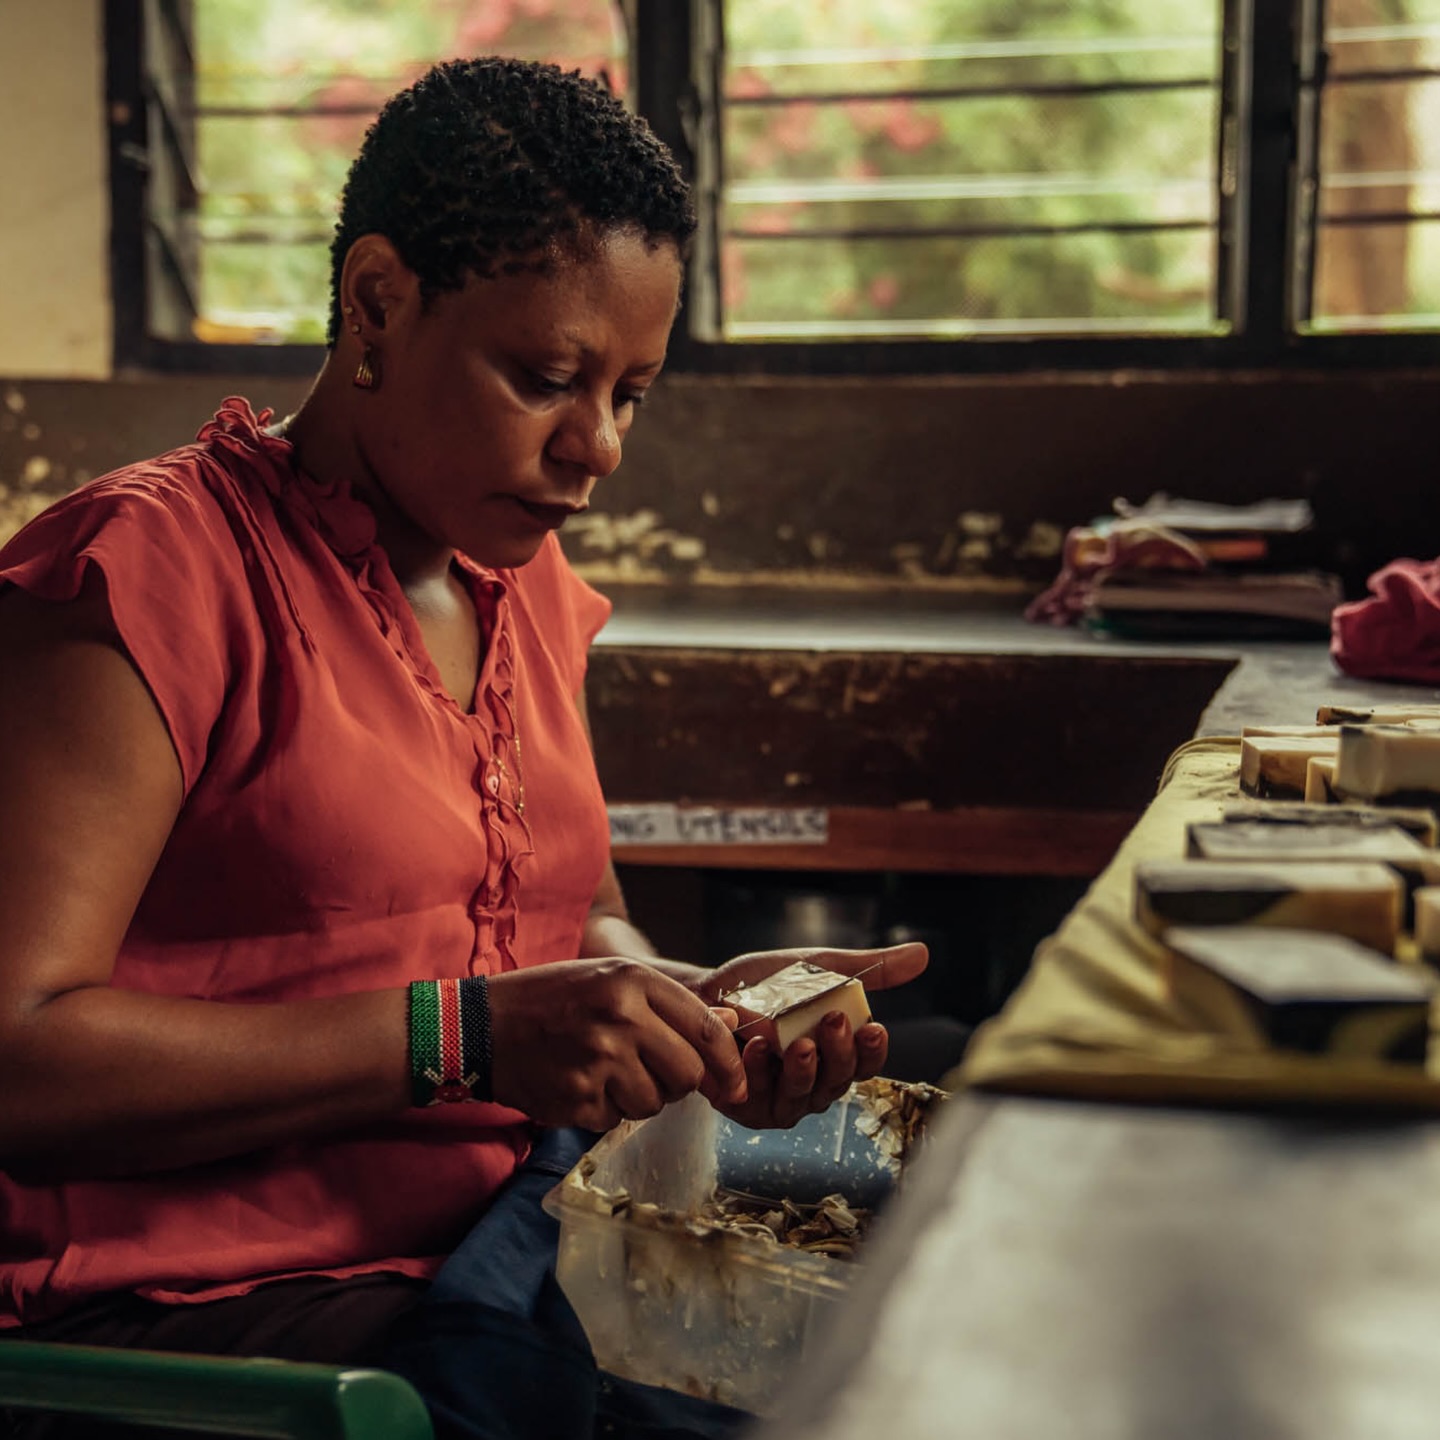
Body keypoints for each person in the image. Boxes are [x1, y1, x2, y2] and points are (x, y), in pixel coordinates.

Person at [0, 56, 927, 1436]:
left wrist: (683, 1008)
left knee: (943, 1258)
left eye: (632, 394)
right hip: (215, 1296)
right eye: (548, 377)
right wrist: (465, 1038)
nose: (598, 449)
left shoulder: (526, 587)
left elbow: (576, 919)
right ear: (379, 301)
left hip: (514, 1215)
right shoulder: (146, 574)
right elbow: (19, 1055)